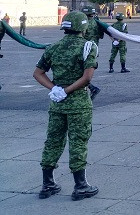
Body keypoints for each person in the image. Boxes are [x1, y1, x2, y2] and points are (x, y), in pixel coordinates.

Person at [33, 11, 99, 201]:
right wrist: (68, 90)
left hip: (57, 104)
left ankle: (47, 184)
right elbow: (87, 78)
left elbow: (38, 73)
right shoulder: (88, 46)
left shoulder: (53, 47)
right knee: (78, 142)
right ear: (83, 27)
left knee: (53, 140)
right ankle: (80, 186)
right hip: (78, 103)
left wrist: (55, 89)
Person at [81, 6, 104, 100]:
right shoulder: (97, 23)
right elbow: (101, 36)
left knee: (79, 72)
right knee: (85, 72)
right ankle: (89, 88)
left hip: (84, 50)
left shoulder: (84, 23)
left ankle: (91, 88)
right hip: (94, 50)